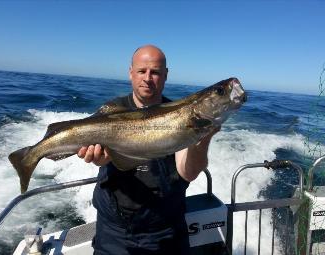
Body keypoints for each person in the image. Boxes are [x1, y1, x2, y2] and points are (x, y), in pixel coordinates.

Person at [77, 45, 220, 255]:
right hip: (113, 229)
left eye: (155, 72)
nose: (147, 78)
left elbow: (188, 173)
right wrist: (99, 159)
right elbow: (94, 151)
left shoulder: (180, 115)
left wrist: (203, 139)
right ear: (130, 73)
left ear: (165, 75)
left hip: (165, 228)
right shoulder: (111, 111)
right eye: (142, 71)